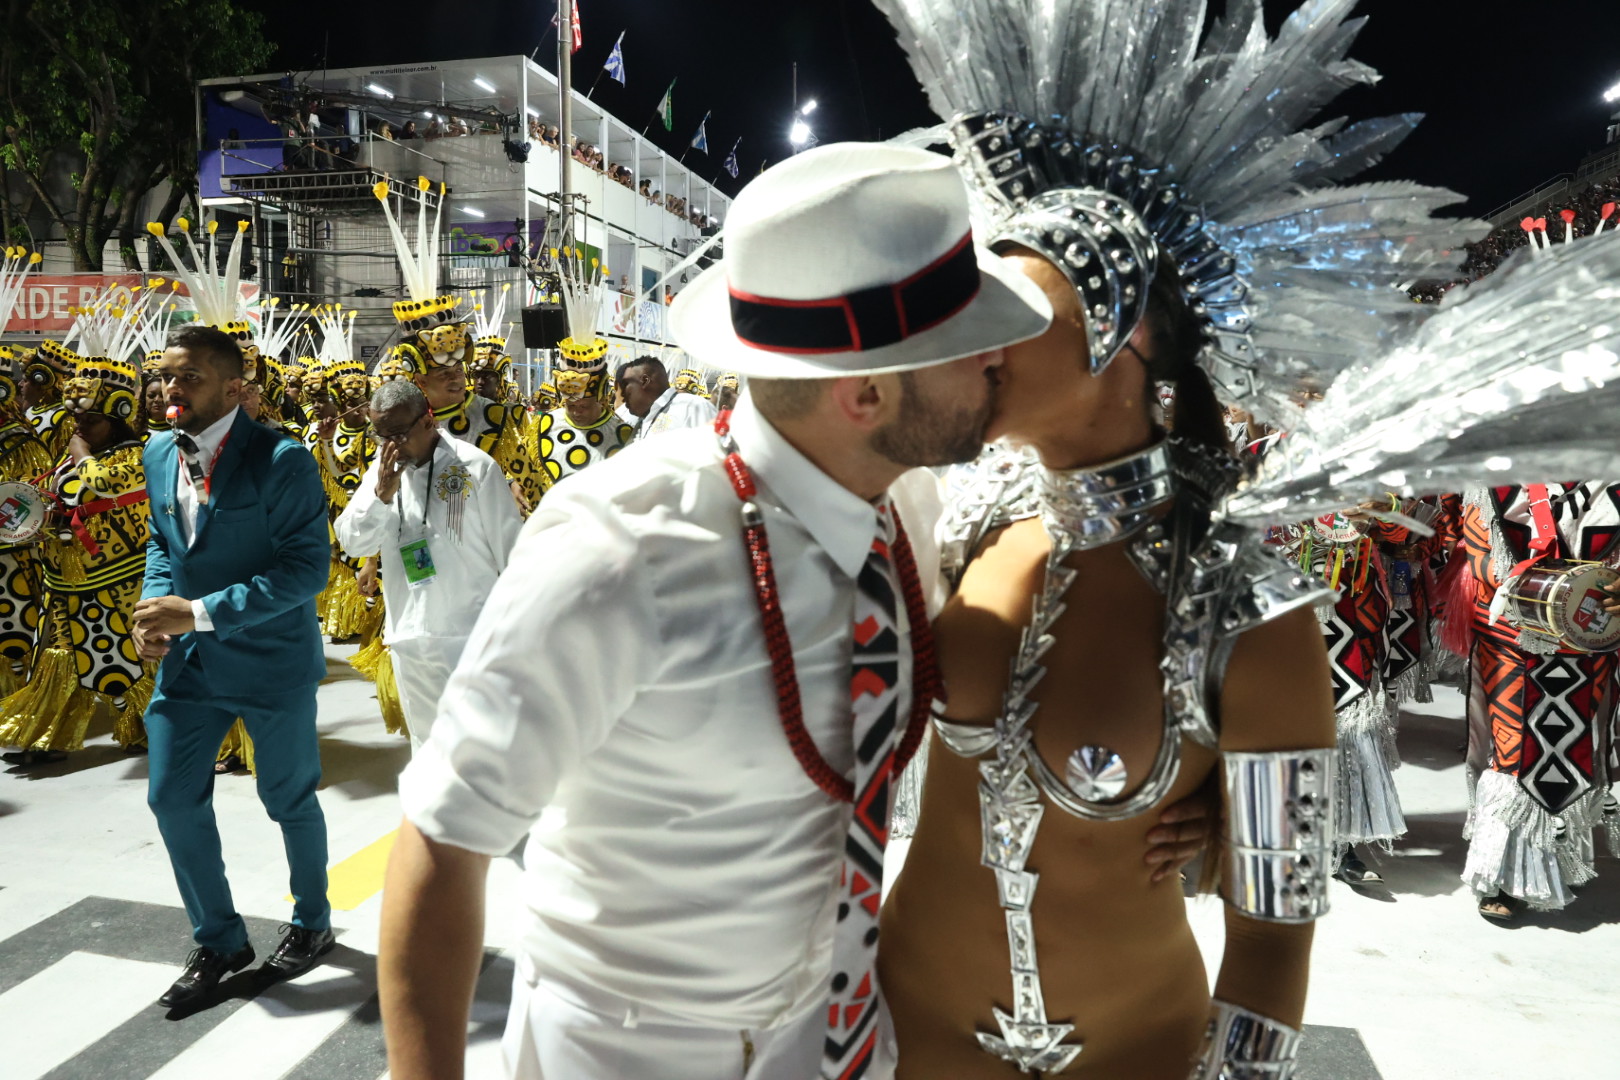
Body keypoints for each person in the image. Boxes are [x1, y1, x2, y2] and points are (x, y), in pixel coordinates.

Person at [377, 143, 1056, 1080]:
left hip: (836, 1034)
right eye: (962, 346)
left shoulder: (909, 511)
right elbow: (443, 842)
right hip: (626, 1051)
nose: (997, 361)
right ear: (865, 393)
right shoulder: (619, 551)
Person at [132, 324, 335, 1008]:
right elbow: (165, 543)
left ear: (232, 386)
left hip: (272, 661)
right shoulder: (158, 453)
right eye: (165, 375)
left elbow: (306, 571)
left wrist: (200, 610)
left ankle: (312, 923)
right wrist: (153, 609)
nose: (170, 387)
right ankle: (219, 936)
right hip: (189, 666)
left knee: (287, 798)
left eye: (187, 376)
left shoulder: (283, 460)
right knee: (169, 796)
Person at [333, 381, 520, 747]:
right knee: (428, 746)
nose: (390, 446)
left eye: (398, 434)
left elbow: (512, 552)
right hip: (409, 635)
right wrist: (380, 497)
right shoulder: (381, 473)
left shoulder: (474, 467)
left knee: (480, 746)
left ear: (427, 420)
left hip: (470, 635)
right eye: (380, 435)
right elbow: (353, 540)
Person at [0, 350, 153, 764]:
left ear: (116, 419)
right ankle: (45, 735)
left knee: (116, 661)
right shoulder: (73, 459)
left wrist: (80, 452)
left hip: (111, 580)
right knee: (56, 659)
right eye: (78, 419)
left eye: (91, 420)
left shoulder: (134, 456)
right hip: (61, 576)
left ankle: (143, 729)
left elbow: (102, 484)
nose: (80, 426)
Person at [618, 355, 716, 441]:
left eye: (625, 384)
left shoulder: (692, 406)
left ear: (644, 381)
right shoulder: (640, 419)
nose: (622, 393)